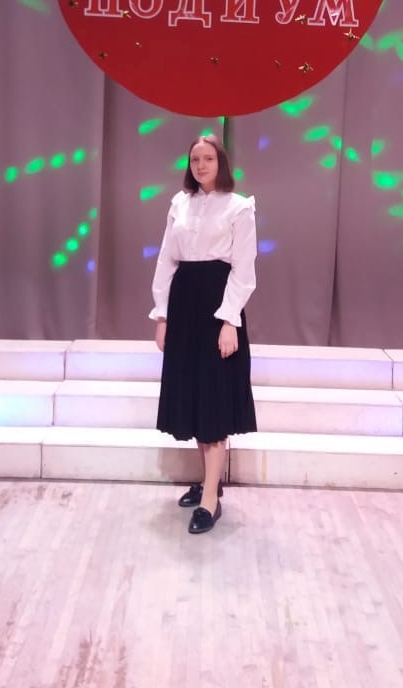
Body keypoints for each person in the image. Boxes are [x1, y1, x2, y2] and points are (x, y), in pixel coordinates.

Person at [150, 134, 257, 534]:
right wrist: (162, 316)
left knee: (213, 402)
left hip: (217, 307)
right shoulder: (179, 203)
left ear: (220, 162)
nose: (200, 165)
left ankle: (210, 499)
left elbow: (244, 269)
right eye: (195, 159)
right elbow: (166, 260)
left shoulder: (239, 207)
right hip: (184, 306)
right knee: (195, 400)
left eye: (208, 158)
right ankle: (209, 482)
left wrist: (230, 321)